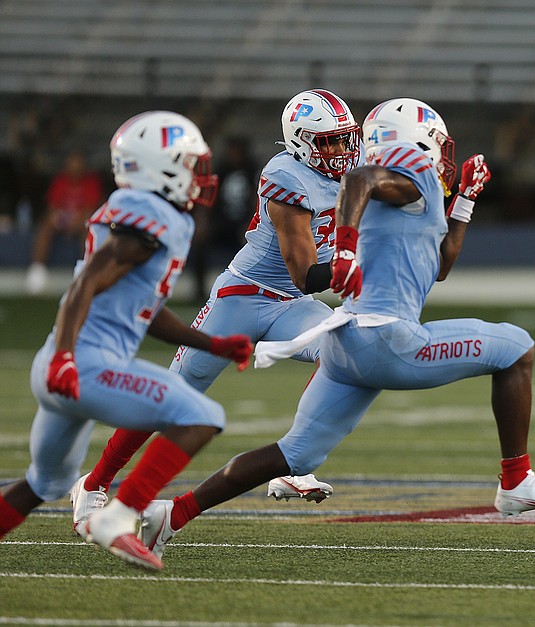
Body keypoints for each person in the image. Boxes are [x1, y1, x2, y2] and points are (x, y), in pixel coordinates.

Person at [134, 97, 535, 559]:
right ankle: (516, 480)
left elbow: (441, 264)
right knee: (517, 347)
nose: (443, 157)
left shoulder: (405, 190)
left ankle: (171, 514)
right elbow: (359, 178)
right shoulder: (404, 166)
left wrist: (465, 200)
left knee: (294, 455)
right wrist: (345, 249)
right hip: (389, 339)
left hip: (346, 345)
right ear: (419, 142)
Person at [67, 90, 363, 535]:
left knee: (344, 347)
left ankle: (295, 460)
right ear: (300, 141)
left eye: (345, 140)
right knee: (172, 397)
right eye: (329, 142)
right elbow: (306, 274)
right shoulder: (286, 175)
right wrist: (357, 260)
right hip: (244, 297)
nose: (341, 151)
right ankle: (95, 481)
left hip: (290, 306)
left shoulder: (351, 173)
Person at [0, 111, 253, 571]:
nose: (200, 175)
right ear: (162, 166)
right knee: (202, 415)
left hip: (60, 367)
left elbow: (143, 309)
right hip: (85, 365)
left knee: (44, 483)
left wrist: (211, 344)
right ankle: (118, 515)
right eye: (190, 163)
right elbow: (86, 285)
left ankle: (111, 512)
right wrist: (67, 358)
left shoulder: (138, 209)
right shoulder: (152, 215)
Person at [188, 136, 260, 302]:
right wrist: (203, 221)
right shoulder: (222, 169)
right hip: (223, 221)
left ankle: (249, 289)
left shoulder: (252, 170)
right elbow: (210, 198)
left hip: (244, 222)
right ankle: (199, 291)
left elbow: (255, 199)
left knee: (252, 245)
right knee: (201, 243)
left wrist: (251, 222)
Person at [25, 150, 105, 294]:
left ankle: (87, 270)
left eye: (78, 163)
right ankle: (37, 269)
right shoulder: (60, 180)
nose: (75, 166)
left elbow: (91, 209)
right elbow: (52, 206)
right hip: (63, 219)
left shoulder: (91, 182)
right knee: (45, 225)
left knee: (90, 228)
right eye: (72, 163)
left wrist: (77, 221)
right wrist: (57, 217)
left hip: (82, 221)